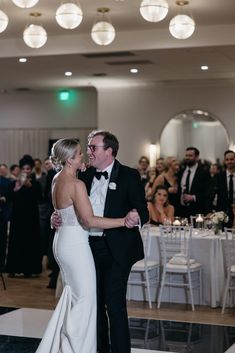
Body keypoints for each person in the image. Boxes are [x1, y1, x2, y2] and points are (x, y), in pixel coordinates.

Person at [36, 138, 141, 353]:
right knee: (86, 300)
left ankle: (74, 345)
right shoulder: (78, 181)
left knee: (84, 298)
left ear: (109, 151)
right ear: (69, 159)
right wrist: (123, 220)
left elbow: (63, 208)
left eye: (92, 148)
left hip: (75, 244)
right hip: (79, 246)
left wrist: (57, 216)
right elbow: (88, 220)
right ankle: (78, 347)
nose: (86, 154)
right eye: (81, 153)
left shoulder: (58, 177)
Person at [6, 155, 42, 278]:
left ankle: (29, 269)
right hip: (17, 217)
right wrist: (16, 188)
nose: (26, 171)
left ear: (31, 169)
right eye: (24, 168)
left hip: (31, 217)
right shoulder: (14, 183)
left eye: (28, 168)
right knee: (16, 241)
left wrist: (30, 186)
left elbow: (40, 197)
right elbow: (9, 197)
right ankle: (13, 268)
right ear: (21, 169)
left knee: (29, 242)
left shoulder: (36, 184)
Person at [178, 147, 211, 219]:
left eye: (190, 156)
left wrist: (193, 197)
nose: (187, 158)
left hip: (197, 210)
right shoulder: (181, 172)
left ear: (196, 157)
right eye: (186, 155)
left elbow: (207, 193)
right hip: (181, 210)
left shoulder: (203, 173)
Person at [215, 150, 235, 227]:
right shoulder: (218, 177)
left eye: (232, 159)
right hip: (222, 214)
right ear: (224, 161)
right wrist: (209, 212)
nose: (229, 161)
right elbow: (210, 195)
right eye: (227, 160)